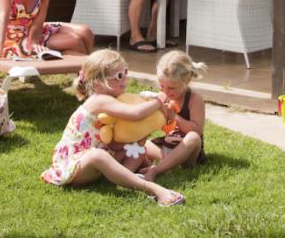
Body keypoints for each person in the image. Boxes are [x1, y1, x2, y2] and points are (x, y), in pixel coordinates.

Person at [41, 50, 185, 207]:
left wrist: (136, 141)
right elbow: (135, 114)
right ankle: (153, 189)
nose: (125, 79)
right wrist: (159, 100)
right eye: (119, 76)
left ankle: (122, 178)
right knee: (98, 156)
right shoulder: (100, 100)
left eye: (125, 72)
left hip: (98, 157)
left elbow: (113, 141)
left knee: (136, 149)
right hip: (74, 165)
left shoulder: (113, 99)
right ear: (98, 83)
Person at [139, 51, 207, 182]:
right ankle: (167, 164)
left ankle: (156, 170)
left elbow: (197, 130)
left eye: (171, 88)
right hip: (165, 149)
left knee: (193, 138)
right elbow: (156, 124)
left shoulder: (195, 99)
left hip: (187, 151)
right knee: (136, 140)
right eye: (162, 86)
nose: (165, 91)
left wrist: (174, 116)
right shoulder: (163, 96)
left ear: (186, 81)